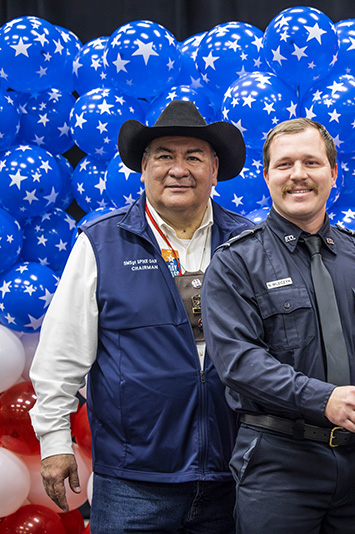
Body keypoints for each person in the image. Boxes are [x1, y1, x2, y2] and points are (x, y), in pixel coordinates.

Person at [29, 100, 253, 532]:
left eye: (194, 157)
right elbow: (61, 353)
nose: (179, 168)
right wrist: (55, 443)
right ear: (144, 165)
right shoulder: (101, 243)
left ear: (215, 168)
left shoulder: (247, 243)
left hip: (235, 474)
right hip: (134, 482)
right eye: (165, 155)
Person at [201, 118, 355, 533]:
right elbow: (239, 363)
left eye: (311, 162)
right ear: (266, 176)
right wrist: (324, 399)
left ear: (334, 173)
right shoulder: (235, 263)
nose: (298, 175)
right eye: (284, 165)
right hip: (278, 465)